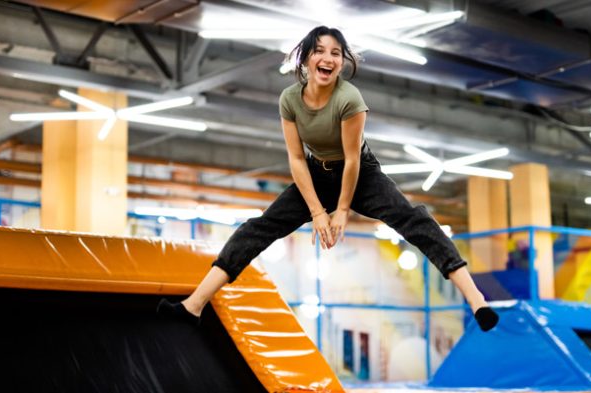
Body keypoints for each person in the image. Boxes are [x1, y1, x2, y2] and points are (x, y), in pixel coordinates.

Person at [158, 26, 499, 332]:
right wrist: (318, 211)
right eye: (320, 51)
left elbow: (352, 160)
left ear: (342, 62)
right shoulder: (289, 99)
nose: (328, 58)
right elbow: (295, 158)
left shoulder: (350, 99)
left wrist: (342, 211)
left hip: (361, 174)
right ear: (306, 59)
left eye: (335, 53)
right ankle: (194, 305)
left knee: (413, 219)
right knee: (258, 227)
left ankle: (476, 298)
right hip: (314, 172)